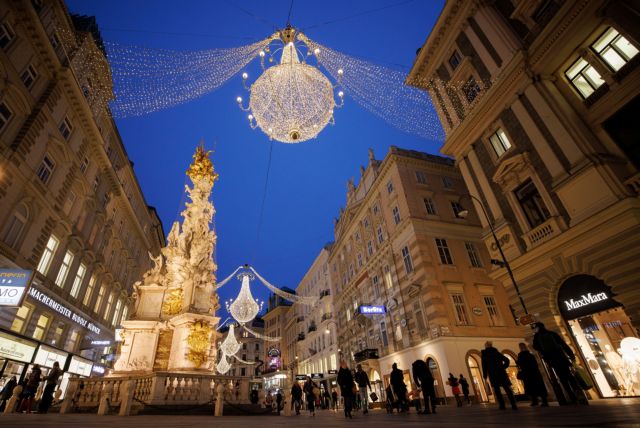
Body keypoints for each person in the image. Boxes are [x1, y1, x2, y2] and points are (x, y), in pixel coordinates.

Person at [532, 322, 581, 404]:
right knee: (569, 375)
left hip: (552, 360)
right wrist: (571, 355)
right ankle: (577, 392)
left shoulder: (537, 336)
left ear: (537, 328)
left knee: (562, 378)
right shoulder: (552, 333)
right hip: (561, 357)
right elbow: (563, 344)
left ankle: (571, 396)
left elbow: (535, 347)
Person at [481, 341, 517, 410]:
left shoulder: (485, 354)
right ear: (491, 345)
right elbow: (506, 360)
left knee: (497, 391)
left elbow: (484, 366)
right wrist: (503, 367)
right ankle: (513, 404)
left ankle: (502, 405)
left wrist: (485, 376)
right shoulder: (496, 352)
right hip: (501, 373)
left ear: (486, 346)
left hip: (493, 374)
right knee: (507, 389)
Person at [517, 342, 548, 406]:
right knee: (538, 386)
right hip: (535, 373)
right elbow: (535, 364)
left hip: (528, 374)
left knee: (531, 387)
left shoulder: (521, 356)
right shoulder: (530, 355)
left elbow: (520, 364)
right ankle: (543, 400)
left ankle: (535, 400)